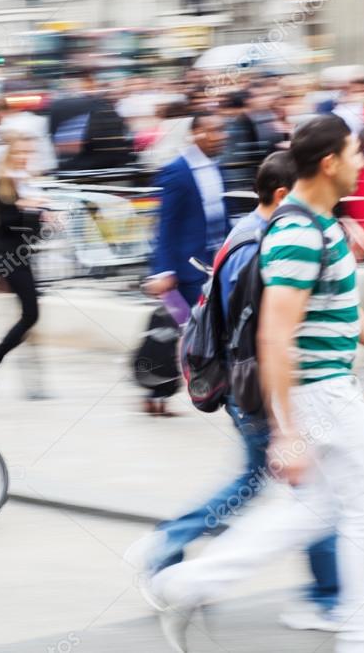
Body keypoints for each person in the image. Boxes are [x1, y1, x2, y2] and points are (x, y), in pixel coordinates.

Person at [146, 115, 364, 653]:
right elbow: (274, 335)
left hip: (322, 393)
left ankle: (184, 585)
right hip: (322, 393)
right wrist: (287, 431)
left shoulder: (320, 225)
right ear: (331, 162)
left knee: (312, 511)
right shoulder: (298, 232)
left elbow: (344, 316)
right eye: (357, 152)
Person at [126, 151, 341, 632]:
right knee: (306, 491)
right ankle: (326, 597)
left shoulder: (246, 233)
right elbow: (264, 333)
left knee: (271, 485)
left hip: (245, 388)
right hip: (254, 392)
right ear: (284, 196)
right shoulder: (259, 246)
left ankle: (168, 548)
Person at [0, 133, 50, 390]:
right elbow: (5, 224)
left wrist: (39, 216)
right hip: (7, 256)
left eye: (28, 153)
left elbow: (32, 233)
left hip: (19, 255)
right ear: (9, 155)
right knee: (31, 314)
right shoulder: (4, 184)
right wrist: (27, 209)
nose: (23, 158)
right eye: (18, 153)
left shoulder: (26, 184)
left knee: (30, 315)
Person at [145, 112, 229, 307]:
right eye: (215, 131)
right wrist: (165, 270)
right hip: (189, 273)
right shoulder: (177, 171)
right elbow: (166, 223)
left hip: (217, 265)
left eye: (223, 130)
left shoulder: (217, 168)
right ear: (196, 133)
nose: (223, 136)